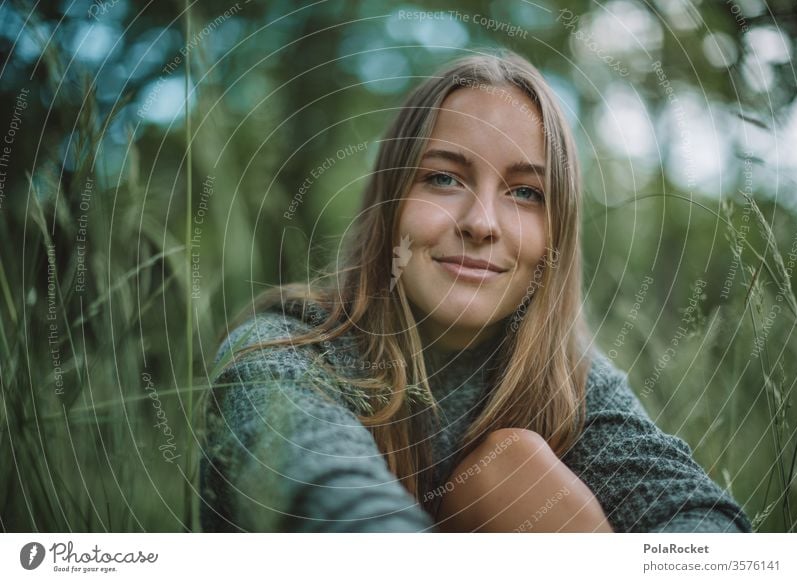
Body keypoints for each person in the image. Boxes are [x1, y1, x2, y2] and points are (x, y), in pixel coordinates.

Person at [199, 49, 752, 533]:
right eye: (443, 178)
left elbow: (700, 524)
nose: (482, 222)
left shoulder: (566, 380)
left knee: (511, 471)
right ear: (388, 205)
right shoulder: (279, 358)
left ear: (555, 236)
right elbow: (338, 506)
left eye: (526, 192)